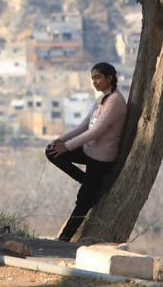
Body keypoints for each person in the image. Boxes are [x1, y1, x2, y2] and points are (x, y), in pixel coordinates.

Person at [45, 62, 127, 242]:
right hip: (89, 150)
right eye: (92, 78)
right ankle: (85, 180)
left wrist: (66, 146)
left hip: (102, 158)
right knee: (51, 152)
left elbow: (95, 132)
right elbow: (83, 126)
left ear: (109, 78)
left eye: (98, 77)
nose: (94, 82)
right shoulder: (101, 99)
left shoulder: (115, 101)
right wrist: (60, 141)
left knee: (83, 200)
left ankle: (64, 238)